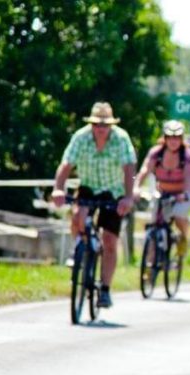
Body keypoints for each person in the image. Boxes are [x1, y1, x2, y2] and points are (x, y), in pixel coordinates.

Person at [52, 102, 136, 309]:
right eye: (97, 124)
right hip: (88, 186)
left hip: (113, 190)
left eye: (105, 125)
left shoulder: (121, 139)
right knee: (78, 215)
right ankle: (78, 249)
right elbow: (66, 165)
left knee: (109, 240)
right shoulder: (81, 137)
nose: (100, 128)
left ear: (111, 126)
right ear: (91, 124)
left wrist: (128, 196)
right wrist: (58, 189)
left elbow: (129, 168)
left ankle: (105, 289)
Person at [134, 120, 190, 256]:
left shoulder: (187, 155)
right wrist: (136, 187)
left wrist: (184, 194)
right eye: (170, 137)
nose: (173, 141)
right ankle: (150, 264)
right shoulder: (156, 153)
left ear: (181, 139)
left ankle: (183, 237)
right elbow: (145, 170)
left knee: (179, 216)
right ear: (165, 138)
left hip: (181, 193)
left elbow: (188, 177)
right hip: (162, 192)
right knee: (154, 224)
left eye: (176, 138)